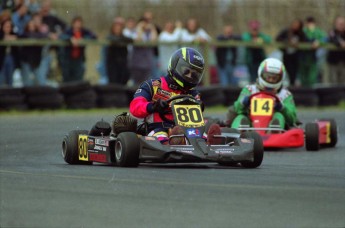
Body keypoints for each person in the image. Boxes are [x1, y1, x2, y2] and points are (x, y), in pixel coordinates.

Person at [129, 47, 221, 145]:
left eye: (194, 74)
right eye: (186, 71)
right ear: (175, 65)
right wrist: (153, 106)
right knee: (161, 136)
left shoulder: (192, 93)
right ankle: (172, 143)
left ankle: (208, 143)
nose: (190, 76)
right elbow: (135, 107)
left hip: (188, 130)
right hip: (158, 128)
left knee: (201, 134)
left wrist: (199, 106)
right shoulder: (153, 85)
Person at [226, 58, 297, 130]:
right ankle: (240, 133)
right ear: (261, 73)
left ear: (281, 77)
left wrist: (282, 108)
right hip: (251, 125)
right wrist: (243, 103)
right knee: (241, 117)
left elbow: (292, 119)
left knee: (279, 116)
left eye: (274, 78)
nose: (271, 80)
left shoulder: (285, 95)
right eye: (268, 77)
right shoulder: (249, 90)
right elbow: (236, 109)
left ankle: (274, 131)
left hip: (273, 130)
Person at [59, 16, 97, 82]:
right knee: (67, 78)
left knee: (78, 78)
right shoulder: (68, 31)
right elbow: (61, 36)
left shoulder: (84, 31)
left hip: (79, 59)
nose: (77, 25)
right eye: (76, 23)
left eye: (79, 23)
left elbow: (94, 36)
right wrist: (70, 39)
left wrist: (83, 39)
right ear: (73, 23)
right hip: (67, 59)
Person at [276, 19, 307, 86]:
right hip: (287, 55)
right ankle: (290, 84)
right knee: (288, 71)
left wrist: (298, 45)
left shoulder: (301, 34)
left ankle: (293, 85)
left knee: (294, 73)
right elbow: (278, 39)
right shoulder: (286, 32)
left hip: (296, 56)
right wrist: (287, 42)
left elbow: (305, 42)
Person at [129, 17, 157, 86]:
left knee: (146, 85)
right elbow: (139, 39)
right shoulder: (134, 32)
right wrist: (139, 28)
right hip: (137, 64)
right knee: (136, 85)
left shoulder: (149, 33)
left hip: (147, 64)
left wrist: (152, 28)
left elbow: (154, 40)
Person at [299, 16, 326, 87]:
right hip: (303, 56)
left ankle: (311, 90)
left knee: (312, 76)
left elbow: (325, 38)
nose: (310, 25)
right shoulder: (303, 31)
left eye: (311, 23)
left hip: (313, 57)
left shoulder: (318, 31)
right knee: (303, 75)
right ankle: (303, 90)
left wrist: (319, 42)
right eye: (308, 23)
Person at [105, 17, 133, 85]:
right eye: (116, 27)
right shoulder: (110, 37)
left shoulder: (124, 38)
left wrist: (121, 40)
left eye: (119, 27)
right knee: (113, 83)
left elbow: (130, 40)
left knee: (123, 81)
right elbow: (112, 39)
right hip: (113, 65)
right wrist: (120, 40)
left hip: (123, 64)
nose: (117, 29)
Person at [0, 19, 20, 86]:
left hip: (10, 57)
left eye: (9, 26)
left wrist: (12, 37)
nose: (7, 28)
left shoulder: (14, 34)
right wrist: (6, 37)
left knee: (10, 78)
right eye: (6, 26)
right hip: (1, 58)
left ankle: (10, 94)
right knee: (1, 77)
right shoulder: (1, 34)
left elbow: (19, 36)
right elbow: (3, 37)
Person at [327, 16, 345, 84]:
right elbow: (333, 40)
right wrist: (340, 43)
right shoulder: (332, 32)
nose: (341, 25)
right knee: (333, 80)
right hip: (333, 61)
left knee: (343, 80)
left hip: (343, 60)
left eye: (342, 23)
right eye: (339, 23)